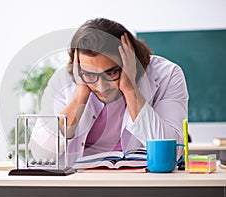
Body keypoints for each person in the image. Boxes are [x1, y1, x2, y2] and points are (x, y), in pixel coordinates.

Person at [29, 18, 188, 165]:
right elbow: (41, 154)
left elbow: (171, 153)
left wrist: (130, 89)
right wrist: (81, 94)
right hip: (81, 182)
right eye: (91, 74)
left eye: (111, 73)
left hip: (141, 181)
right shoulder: (63, 80)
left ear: (131, 60)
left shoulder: (167, 75)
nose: (101, 86)